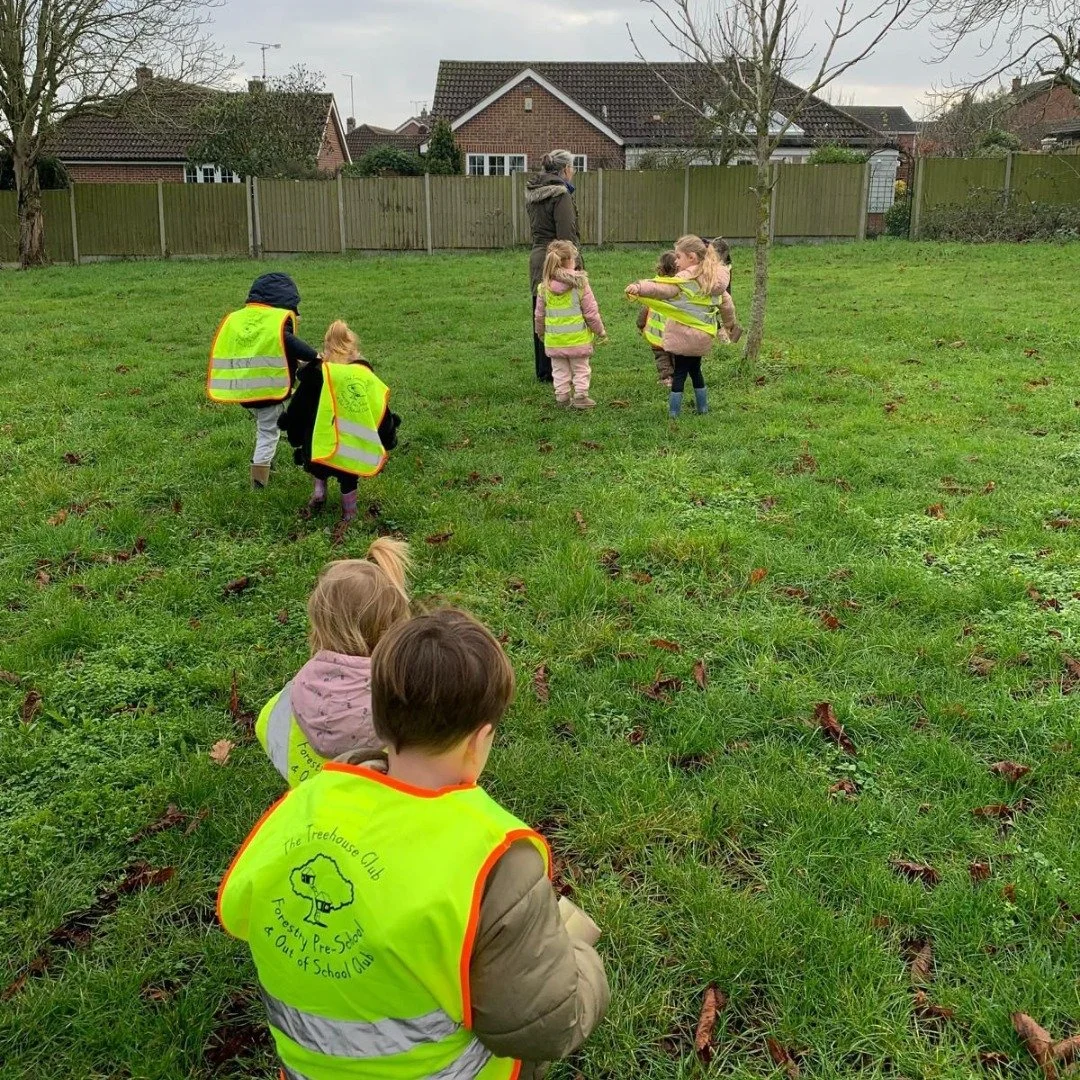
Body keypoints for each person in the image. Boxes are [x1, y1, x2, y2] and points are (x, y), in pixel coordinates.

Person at [218, 607, 609, 1080]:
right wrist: (581, 959)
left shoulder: (303, 805)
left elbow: (238, 914)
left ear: (378, 718)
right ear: (479, 740)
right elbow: (543, 1026)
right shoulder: (493, 856)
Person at [254, 538, 411, 788]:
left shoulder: (298, 687)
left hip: (309, 796)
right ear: (392, 629)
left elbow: (266, 725)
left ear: (320, 625)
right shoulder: (401, 698)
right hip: (374, 808)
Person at [278, 320, 401, 526]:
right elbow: (379, 412)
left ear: (325, 349)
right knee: (348, 478)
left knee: (318, 466)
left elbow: (297, 410)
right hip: (349, 448)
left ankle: (319, 492)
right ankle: (349, 513)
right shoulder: (363, 379)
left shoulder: (317, 375)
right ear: (354, 351)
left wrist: (294, 432)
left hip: (317, 446)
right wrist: (388, 437)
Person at [207, 272, 319, 489]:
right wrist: (314, 356)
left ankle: (264, 464)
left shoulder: (242, 319)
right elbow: (289, 343)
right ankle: (259, 480)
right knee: (269, 432)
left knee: (263, 427)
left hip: (244, 390)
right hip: (267, 391)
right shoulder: (276, 322)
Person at [625, 234, 741, 419]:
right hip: (703, 339)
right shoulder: (713, 281)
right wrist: (730, 325)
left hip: (681, 337)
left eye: (679, 257)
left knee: (679, 373)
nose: (676, 262)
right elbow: (727, 305)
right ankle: (702, 408)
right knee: (696, 370)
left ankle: (673, 412)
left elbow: (662, 289)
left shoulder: (684, 281)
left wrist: (640, 287)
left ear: (692, 257)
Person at [526, 149, 581, 384]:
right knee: (563, 312)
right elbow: (566, 236)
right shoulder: (561, 195)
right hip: (558, 259)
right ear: (565, 169)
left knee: (541, 311)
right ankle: (564, 368)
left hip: (538, 259)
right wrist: (573, 265)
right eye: (573, 168)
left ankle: (545, 369)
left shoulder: (533, 193)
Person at [534, 240, 607, 409]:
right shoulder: (580, 284)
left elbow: (539, 315)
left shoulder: (544, 288)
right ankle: (581, 396)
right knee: (581, 368)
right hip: (578, 339)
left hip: (554, 340)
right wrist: (600, 331)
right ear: (571, 261)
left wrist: (540, 332)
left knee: (559, 370)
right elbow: (591, 312)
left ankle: (562, 397)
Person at [636, 250, 679, 388]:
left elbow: (646, 308)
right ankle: (678, 375)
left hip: (657, 334)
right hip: (676, 333)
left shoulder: (654, 287)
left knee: (662, 356)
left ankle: (666, 378)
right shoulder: (681, 288)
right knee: (676, 354)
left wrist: (641, 324)